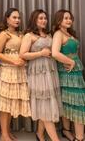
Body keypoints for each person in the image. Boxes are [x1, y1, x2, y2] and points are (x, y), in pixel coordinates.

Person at [20, 9, 62, 141]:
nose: (44, 20)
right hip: (38, 74)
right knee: (44, 105)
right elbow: (23, 54)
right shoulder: (29, 36)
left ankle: (39, 133)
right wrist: (40, 53)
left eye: (45, 18)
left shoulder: (49, 34)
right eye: (40, 18)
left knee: (48, 104)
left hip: (51, 71)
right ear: (34, 20)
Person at [0, 8, 31, 141]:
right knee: (5, 103)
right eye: (14, 17)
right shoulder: (4, 34)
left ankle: (7, 131)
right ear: (7, 19)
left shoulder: (21, 34)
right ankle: (4, 134)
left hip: (20, 71)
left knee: (12, 102)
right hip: (8, 71)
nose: (17, 20)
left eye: (18, 18)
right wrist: (13, 61)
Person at [52, 9, 85, 141]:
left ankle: (67, 130)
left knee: (70, 102)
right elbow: (55, 53)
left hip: (75, 73)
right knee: (74, 103)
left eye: (70, 18)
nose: (69, 20)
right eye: (65, 18)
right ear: (59, 20)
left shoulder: (69, 33)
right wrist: (70, 61)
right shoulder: (58, 34)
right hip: (67, 73)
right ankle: (79, 137)